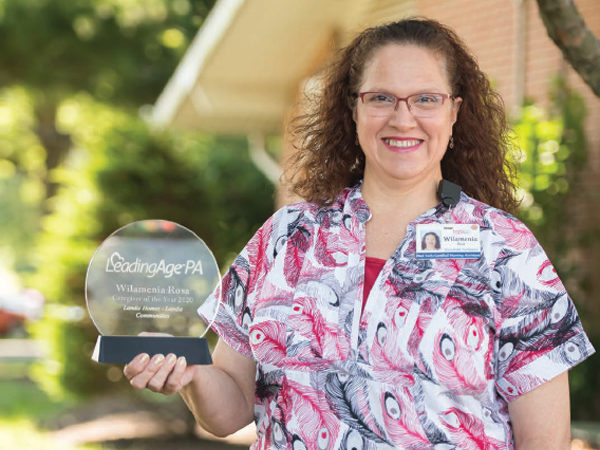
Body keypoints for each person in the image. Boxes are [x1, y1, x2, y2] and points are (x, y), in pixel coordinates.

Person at [124, 18, 595, 448]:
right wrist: (187, 375)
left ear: (455, 112)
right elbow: (226, 413)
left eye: (426, 98)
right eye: (381, 97)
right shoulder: (286, 238)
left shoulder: (508, 252)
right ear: (353, 109)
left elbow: (546, 442)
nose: (402, 118)